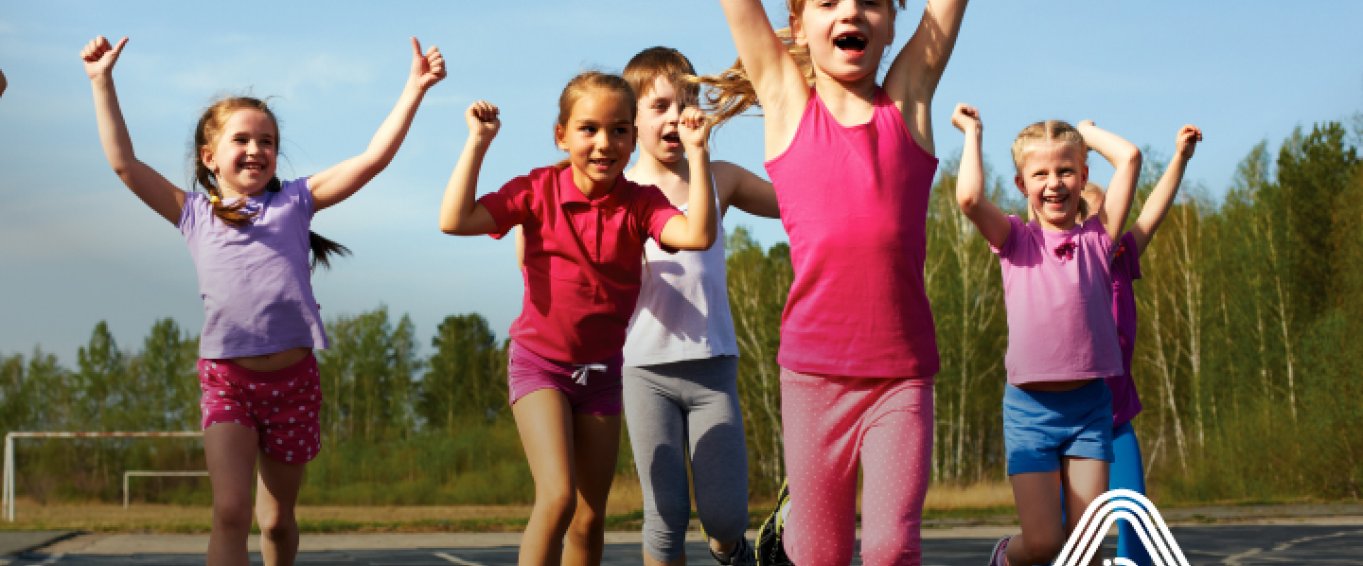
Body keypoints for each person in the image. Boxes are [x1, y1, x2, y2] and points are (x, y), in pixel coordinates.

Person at [80, 34, 446, 566]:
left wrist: (414, 88)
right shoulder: (192, 213)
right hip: (228, 380)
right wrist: (101, 82)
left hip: (293, 383)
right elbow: (125, 165)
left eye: (267, 140)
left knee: (276, 521)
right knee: (230, 512)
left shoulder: (297, 201)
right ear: (210, 157)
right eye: (242, 140)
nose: (256, 149)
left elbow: (372, 160)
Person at [705, 0, 968, 564]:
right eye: (828, 3)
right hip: (813, 379)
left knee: (892, 549)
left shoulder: (907, 101)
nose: (850, 12)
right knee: (820, 555)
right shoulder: (786, 102)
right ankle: (790, 533)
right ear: (799, 26)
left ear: (894, 24)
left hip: (900, 379)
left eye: (871, 2)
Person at [438, 71, 717, 566]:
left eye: (619, 130)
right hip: (541, 366)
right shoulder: (536, 191)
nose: (604, 143)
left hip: (603, 374)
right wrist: (477, 144)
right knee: (559, 496)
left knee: (590, 518)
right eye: (588, 129)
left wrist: (698, 151)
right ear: (561, 134)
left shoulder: (639, 202)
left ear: (633, 136)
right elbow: (454, 220)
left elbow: (696, 235)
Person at [950, 104, 1142, 566]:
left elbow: (1131, 157)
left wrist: (1086, 135)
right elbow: (970, 200)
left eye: (1066, 171)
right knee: (1042, 545)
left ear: (1083, 175)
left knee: (1086, 550)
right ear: (1022, 185)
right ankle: (1003, 555)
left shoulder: (1101, 238)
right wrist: (972, 133)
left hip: (1089, 411)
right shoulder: (1016, 240)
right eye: (1041, 174)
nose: (1054, 183)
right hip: (1030, 413)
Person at [619, 46, 780, 566]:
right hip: (644, 370)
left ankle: (733, 550)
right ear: (631, 118)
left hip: (713, 371)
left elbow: (795, 204)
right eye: (660, 105)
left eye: (687, 101)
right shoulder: (617, 190)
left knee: (726, 518)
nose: (676, 116)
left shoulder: (719, 177)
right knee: (663, 518)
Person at [1079, 124, 1202, 566]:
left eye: (1108, 212)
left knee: (1137, 521)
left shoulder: (1122, 257)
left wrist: (1180, 158)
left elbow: (1153, 209)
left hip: (1115, 420)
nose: (1105, 221)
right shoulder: (1066, 264)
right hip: (1072, 425)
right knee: (1068, 537)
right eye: (1092, 215)